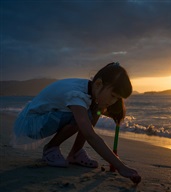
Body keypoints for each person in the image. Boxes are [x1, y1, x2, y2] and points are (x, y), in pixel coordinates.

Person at [13, 62, 141, 184]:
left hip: (43, 118)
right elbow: (90, 135)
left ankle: (75, 153)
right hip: (32, 123)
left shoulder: (90, 88)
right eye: (113, 96)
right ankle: (50, 149)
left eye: (118, 98)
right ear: (98, 84)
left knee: (95, 110)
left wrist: (115, 111)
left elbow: (95, 112)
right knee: (84, 116)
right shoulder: (77, 95)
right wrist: (120, 166)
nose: (114, 101)